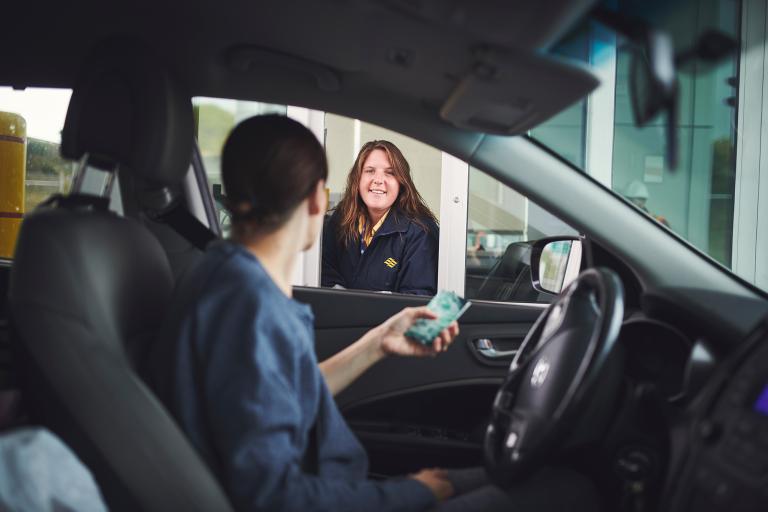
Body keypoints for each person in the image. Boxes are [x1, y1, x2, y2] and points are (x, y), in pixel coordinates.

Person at [146, 115, 459, 512]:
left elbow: (292, 392)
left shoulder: (226, 275)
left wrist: (379, 341)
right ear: (318, 200)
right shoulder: (248, 309)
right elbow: (276, 498)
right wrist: (414, 493)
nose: (378, 180)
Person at [322, 140, 438, 295]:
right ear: (358, 179)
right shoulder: (342, 220)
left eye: (389, 173)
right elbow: (323, 273)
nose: (378, 180)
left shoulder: (420, 232)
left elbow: (418, 299)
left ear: (401, 183)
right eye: (370, 171)